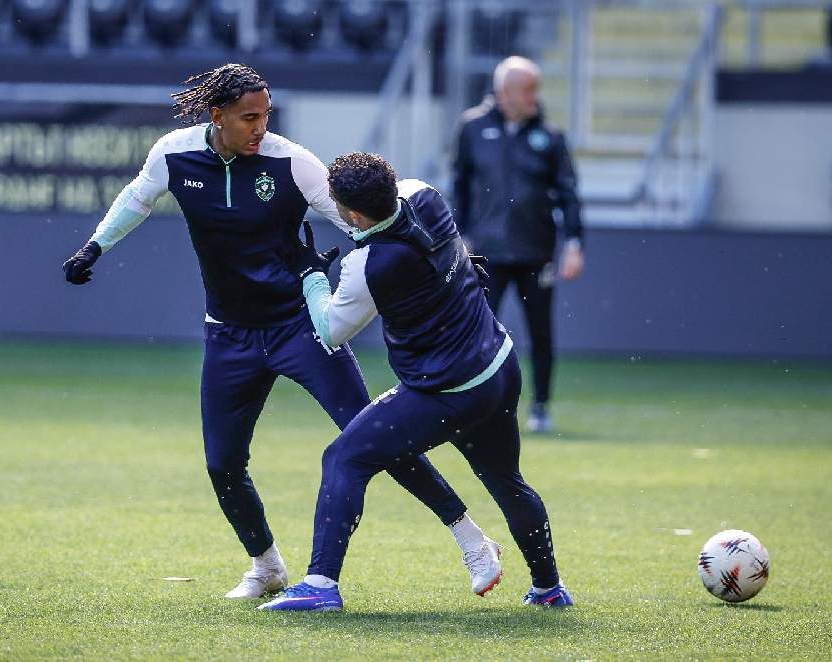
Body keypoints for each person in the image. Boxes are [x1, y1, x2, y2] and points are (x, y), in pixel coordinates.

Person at [62, 64, 502, 600]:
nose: (261, 127)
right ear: (216, 115)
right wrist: (94, 247)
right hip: (229, 333)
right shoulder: (173, 154)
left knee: (372, 437)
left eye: (266, 115)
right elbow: (138, 196)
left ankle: (472, 540)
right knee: (223, 463)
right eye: (249, 117)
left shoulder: (292, 162)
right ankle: (267, 566)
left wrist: (438, 255)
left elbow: (364, 222)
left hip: (301, 327)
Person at [259, 152, 571, 613]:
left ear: (354, 214)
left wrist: (311, 276)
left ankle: (320, 586)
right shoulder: (423, 194)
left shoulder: (368, 266)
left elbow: (330, 332)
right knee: (506, 480)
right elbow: (422, 240)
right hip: (499, 366)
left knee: (344, 457)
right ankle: (549, 589)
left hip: (450, 391)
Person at [451, 55, 584, 433]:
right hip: (486, 252)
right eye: (528, 89)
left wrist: (574, 243)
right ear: (505, 91)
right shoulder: (472, 127)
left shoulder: (551, 136)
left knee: (540, 331)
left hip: (536, 251)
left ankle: (540, 407)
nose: (535, 97)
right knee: (479, 331)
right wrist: (460, 234)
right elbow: (460, 184)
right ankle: (478, 406)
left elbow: (569, 193)